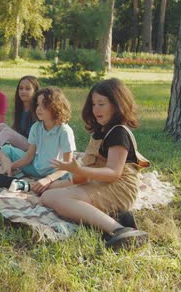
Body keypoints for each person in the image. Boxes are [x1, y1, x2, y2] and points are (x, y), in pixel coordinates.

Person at [41, 78, 149, 249]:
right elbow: (81, 179)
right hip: (101, 183)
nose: (96, 109)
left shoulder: (118, 132)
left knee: (60, 200)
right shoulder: (100, 132)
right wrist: (69, 175)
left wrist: (81, 170)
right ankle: (114, 217)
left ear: (117, 104)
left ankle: (120, 230)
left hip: (120, 188)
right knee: (48, 196)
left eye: (101, 104)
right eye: (93, 104)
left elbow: (114, 172)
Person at [0, 87, 76, 194]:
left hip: (55, 173)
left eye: (44, 105)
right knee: (5, 149)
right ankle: (8, 174)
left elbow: (67, 166)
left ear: (56, 107)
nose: (39, 108)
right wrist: (12, 166)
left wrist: (48, 179)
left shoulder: (64, 131)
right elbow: (29, 156)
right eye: (38, 104)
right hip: (35, 167)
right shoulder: (36, 127)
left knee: (76, 180)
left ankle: (27, 186)